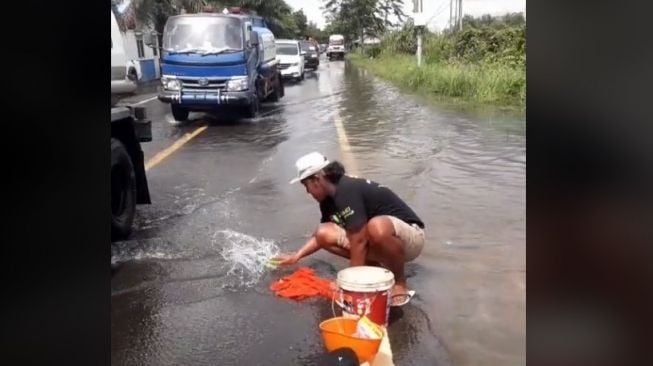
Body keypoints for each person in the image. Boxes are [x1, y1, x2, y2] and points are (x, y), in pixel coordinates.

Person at [273, 152, 426, 306]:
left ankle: (399, 282)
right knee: (324, 232)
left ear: (317, 180)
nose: (307, 192)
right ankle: (376, 273)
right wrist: (297, 256)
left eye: (306, 186)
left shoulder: (346, 190)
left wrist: (348, 285)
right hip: (377, 241)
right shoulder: (328, 201)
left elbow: (358, 239)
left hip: (410, 239)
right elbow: (321, 236)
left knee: (375, 227)